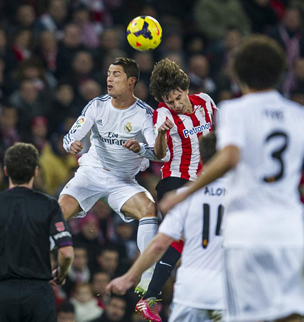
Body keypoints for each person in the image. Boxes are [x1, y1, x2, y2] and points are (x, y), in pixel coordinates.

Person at [160, 35, 304, 322]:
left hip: (245, 231)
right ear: (280, 73)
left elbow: (230, 156)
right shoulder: (303, 115)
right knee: (291, 314)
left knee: (244, 316)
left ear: (238, 75)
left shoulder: (236, 110)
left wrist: (185, 193)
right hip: (288, 230)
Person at [59, 57, 169, 287]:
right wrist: (72, 145)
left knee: (149, 208)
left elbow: (160, 154)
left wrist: (141, 148)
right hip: (91, 173)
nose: (109, 78)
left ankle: (147, 279)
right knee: (56, 213)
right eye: (109, 73)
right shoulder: (96, 105)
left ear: (131, 82)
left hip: (123, 181)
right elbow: (70, 137)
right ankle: (41, 262)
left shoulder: (145, 114)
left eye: (116, 74)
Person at [108, 133, 225, 322]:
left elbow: (159, 244)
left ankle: (150, 295)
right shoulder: (242, 195)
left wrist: (130, 277)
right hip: (224, 289)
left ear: (201, 158)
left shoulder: (183, 196)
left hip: (190, 289)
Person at [134, 57, 217, 319]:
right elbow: (159, 155)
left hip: (202, 183)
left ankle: (152, 296)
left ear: (185, 87)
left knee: (191, 240)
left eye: (177, 97)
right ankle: (151, 293)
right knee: (181, 237)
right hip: (175, 181)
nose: (175, 104)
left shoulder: (206, 102)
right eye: (169, 100)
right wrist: (160, 133)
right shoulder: (163, 114)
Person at [0, 143, 74, 322]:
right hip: (39, 294)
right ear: (36, 171)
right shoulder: (49, 205)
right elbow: (67, 253)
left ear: (6, 170)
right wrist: (61, 272)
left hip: (3, 295)